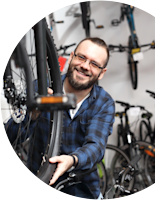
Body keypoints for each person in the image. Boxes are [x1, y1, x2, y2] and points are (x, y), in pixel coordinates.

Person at [5, 37, 115, 200]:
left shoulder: (103, 103)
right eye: (82, 57)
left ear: (101, 73)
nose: (85, 66)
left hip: (83, 187)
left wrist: (72, 160)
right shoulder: (41, 88)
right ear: (71, 57)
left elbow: (96, 146)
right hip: (41, 176)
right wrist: (32, 115)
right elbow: (11, 136)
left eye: (94, 64)